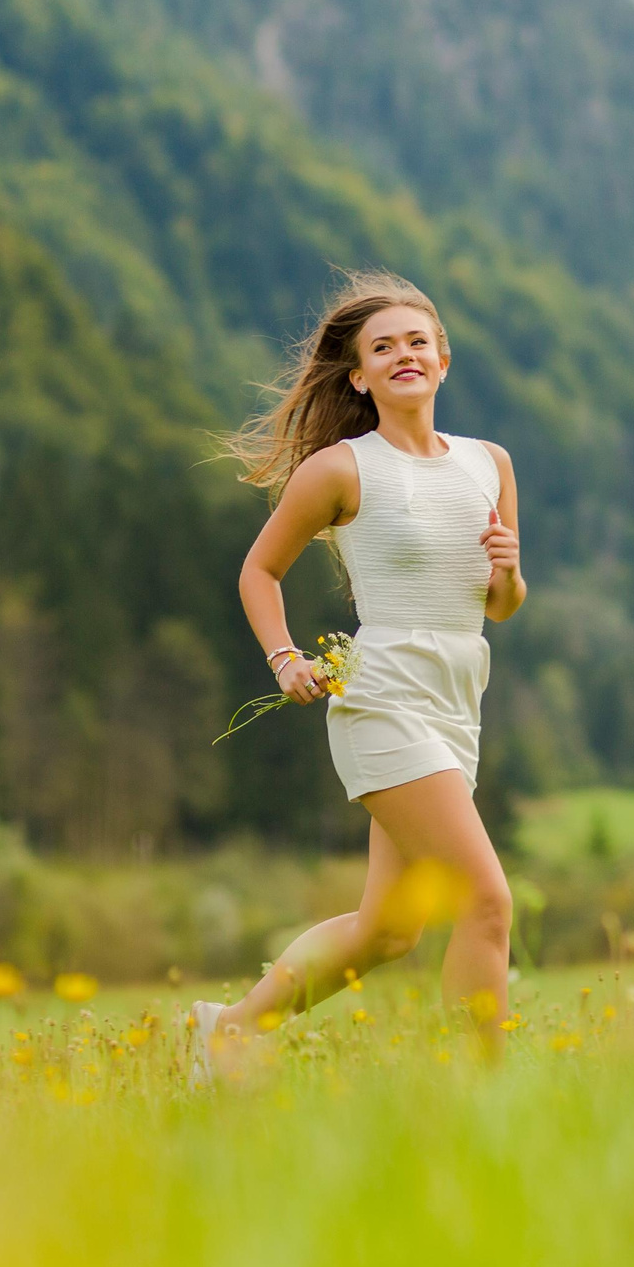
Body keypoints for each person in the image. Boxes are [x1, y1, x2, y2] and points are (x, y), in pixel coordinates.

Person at [196, 271, 526, 1068]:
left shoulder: (491, 464)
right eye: (383, 347)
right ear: (360, 375)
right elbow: (258, 571)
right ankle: (483, 1101)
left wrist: (509, 573)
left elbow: (501, 607)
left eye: (418, 341)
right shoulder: (342, 469)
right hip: (383, 697)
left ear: (443, 361)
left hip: (456, 699)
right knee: (485, 901)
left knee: (388, 930)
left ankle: (230, 1029)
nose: (403, 354)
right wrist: (284, 658)